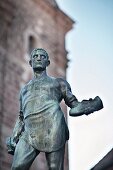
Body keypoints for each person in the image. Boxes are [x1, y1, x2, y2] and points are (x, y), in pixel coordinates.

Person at [6, 48, 103, 170]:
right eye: (35, 56)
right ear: (31, 62)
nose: (39, 58)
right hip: (29, 132)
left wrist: (90, 106)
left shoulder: (59, 83)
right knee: (17, 167)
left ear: (48, 62)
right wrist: (14, 137)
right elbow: (21, 117)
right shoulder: (24, 90)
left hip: (53, 127)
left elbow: (74, 105)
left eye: (42, 56)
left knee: (55, 168)